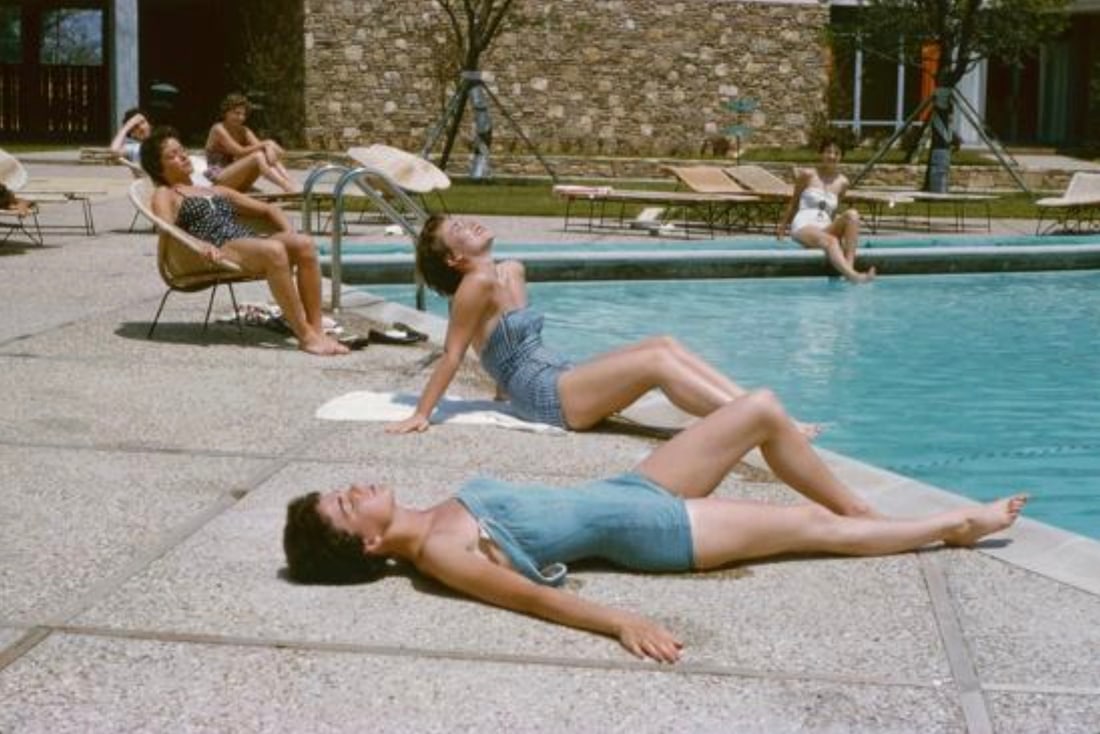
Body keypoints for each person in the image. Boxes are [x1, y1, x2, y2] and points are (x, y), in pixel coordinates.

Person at [284, 389, 1027, 663]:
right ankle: (951, 525)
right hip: (658, 533)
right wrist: (620, 622)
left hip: (629, 490)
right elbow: (535, 600)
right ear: (371, 545)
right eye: (348, 506)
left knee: (760, 410)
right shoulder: (445, 553)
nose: (355, 488)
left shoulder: (437, 516)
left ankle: (867, 514)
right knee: (808, 525)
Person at [387, 214, 817, 436]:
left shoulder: (508, 272)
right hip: (544, 395)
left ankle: (762, 409)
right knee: (656, 363)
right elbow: (453, 354)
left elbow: (500, 349)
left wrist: (501, 392)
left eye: (462, 218)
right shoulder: (475, 284)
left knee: (663, 344)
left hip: (557, 377)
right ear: (452, 259)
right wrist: (422, 413)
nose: (470, 223)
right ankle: (759, 420)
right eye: (458, 229)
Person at [141, 127, 347, 356]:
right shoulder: (166, 193)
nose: (182, 157)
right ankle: (306, 337)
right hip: (216, 248)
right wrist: (199, 245)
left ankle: (317, 330)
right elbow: (167, 229)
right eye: (172, 156)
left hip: (242, 241)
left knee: (304, 244)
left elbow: (268, 210)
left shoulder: (214, 190)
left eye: (182, 151)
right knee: (274, 250)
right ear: (159, 168)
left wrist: (289, 232)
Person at [778, 138, 876, 283]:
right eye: (828, 152)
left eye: (836, 153)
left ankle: (849, 267)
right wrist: (781, 229)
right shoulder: (808, 175)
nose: (832, 156)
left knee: (852, 214)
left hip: (824, 226)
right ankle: (853, 276)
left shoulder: (843, 182)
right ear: (821, 154)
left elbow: (834, 211)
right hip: (804, 225)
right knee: (831, 241)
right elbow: (793, 203)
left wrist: (840, 229)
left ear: (841, 156)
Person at [204, 93, 296, 193]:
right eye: (236, 113)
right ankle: (285, 185)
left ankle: (289, 182)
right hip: (221, 179)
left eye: (243, 114)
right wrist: (267, 143)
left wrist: (269, 146)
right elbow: (239, 151)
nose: (240, 117)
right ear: (226, 112)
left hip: (238, 179)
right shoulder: (218, 129)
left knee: (263, 153)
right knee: (258, 156)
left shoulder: (244, 130)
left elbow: (264, 148)